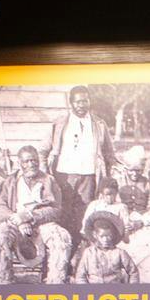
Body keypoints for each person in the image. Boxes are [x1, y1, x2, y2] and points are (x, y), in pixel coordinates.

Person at [0, 146, 73, 282]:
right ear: (20, 163)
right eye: (26, 161)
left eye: (34, 160)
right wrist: (19, 220)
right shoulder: (10, 181)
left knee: (61, 238)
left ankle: (55, 284)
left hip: (42, 224)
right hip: (15, 223)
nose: (31, 164)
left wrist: (29, 216)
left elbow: (56, 209)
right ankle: (2, 282)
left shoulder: (48, 180)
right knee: (0, 234)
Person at [47, 85, 113, 216]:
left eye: (85, 101)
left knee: (84, 211)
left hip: (88, 176)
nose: (81, 105)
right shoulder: (60, 123)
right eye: (78, 102)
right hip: (64, 175)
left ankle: (81, 237)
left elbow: (109, 152)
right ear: (71, 103)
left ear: (89, 101)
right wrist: (45, 173)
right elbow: (43, 149)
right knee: (64, 210)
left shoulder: (99, 124)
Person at [71, 211, 138, 285]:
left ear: (112, 235)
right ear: (95, 235)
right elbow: (80, 276)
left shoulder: (119, 253)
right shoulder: (89, 253)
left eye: (108, 236)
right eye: (102, 236)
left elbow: (133, 272)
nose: (105, 239)